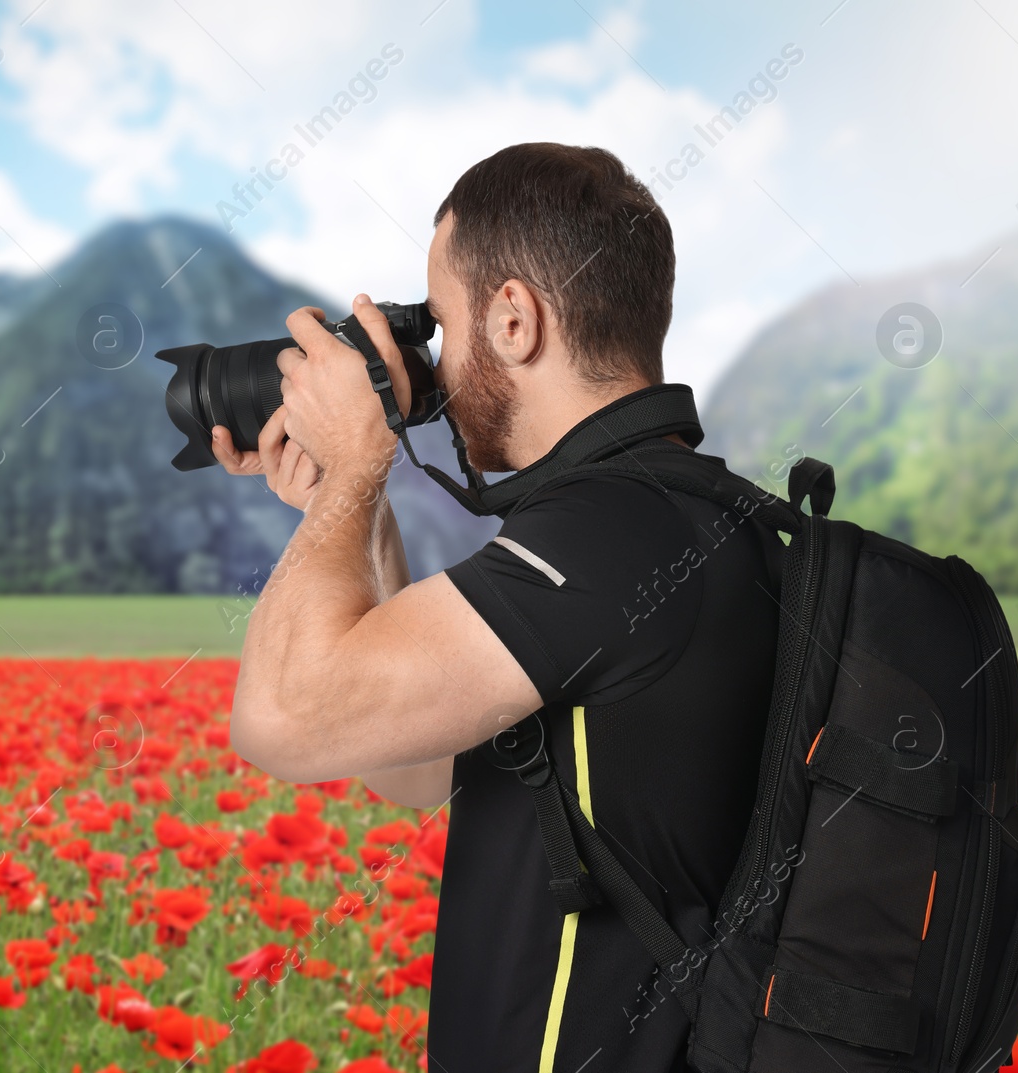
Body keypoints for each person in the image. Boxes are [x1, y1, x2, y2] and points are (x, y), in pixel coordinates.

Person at [216, 142, 781, 1073]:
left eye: (441, 319)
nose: (432, 356)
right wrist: (347, 505)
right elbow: (416, 765)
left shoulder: (611, 535)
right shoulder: (686, 516)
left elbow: (280, 719)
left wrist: (359, 461)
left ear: (514, 318)